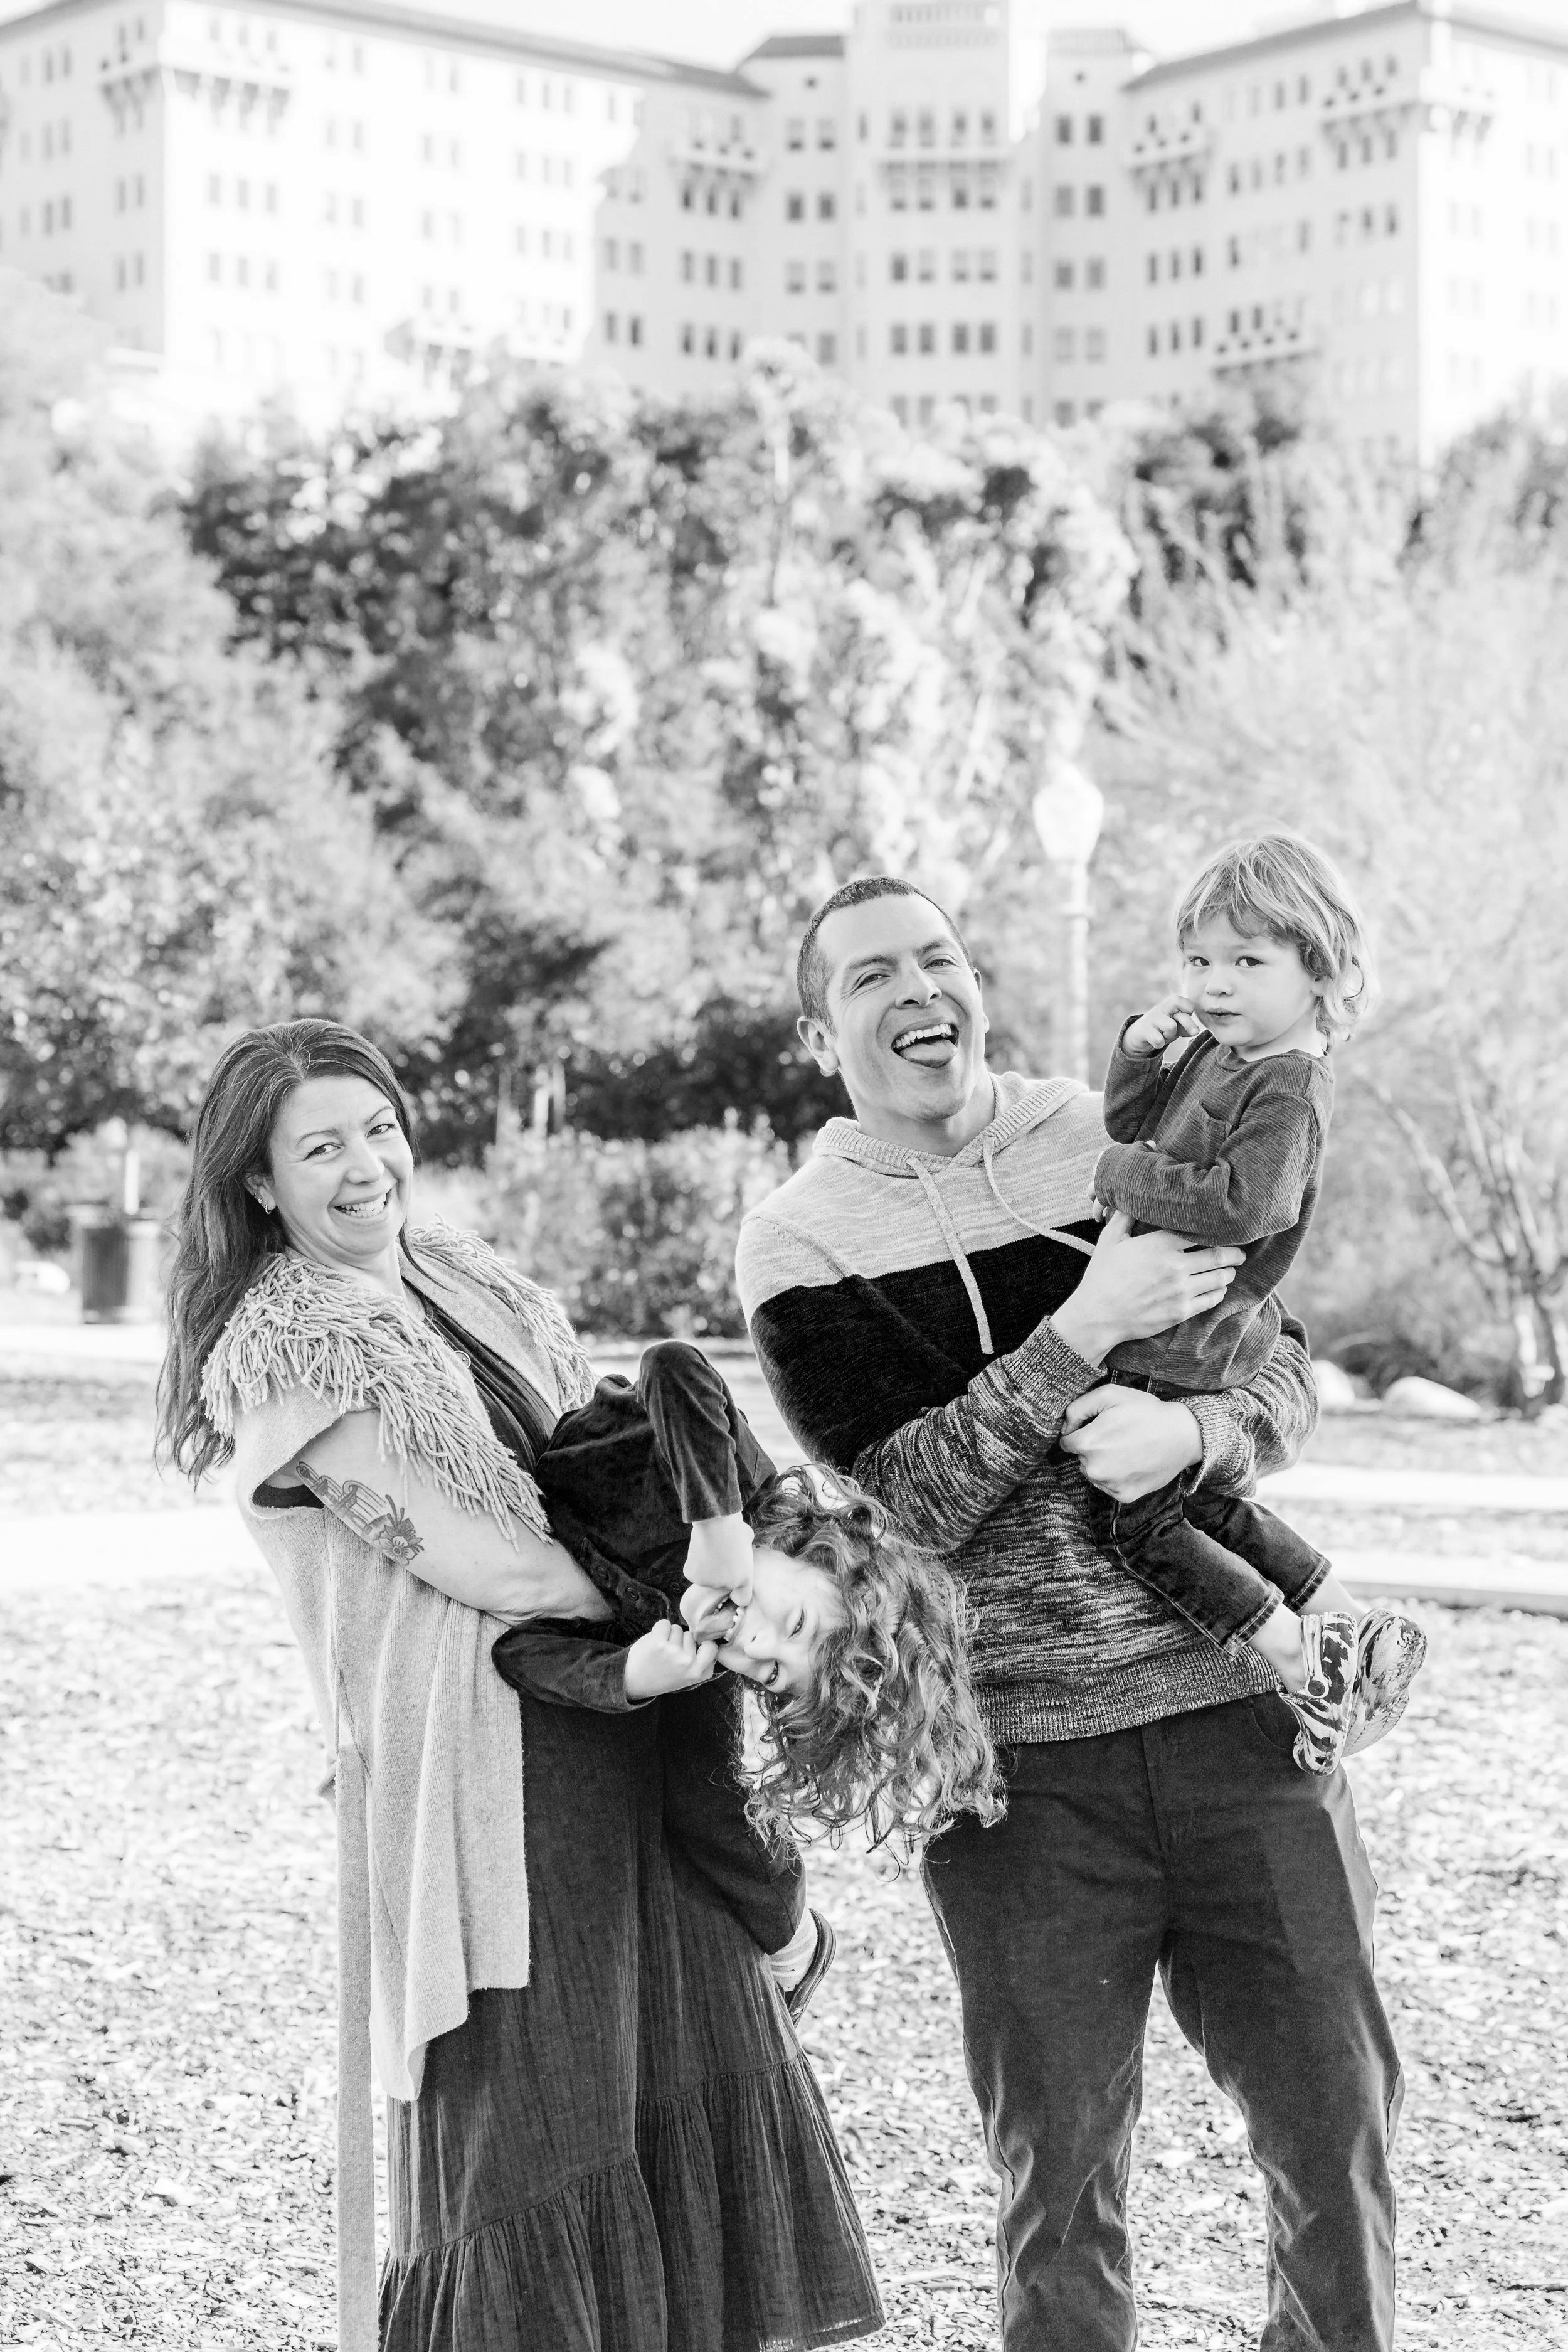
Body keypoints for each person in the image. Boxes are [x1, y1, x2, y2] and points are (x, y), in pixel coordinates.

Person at [730, 876, 1403, 2352]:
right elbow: (899, 1507)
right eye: (870, 976)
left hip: (1243, 1717)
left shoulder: (1107, 1138)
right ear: (820, 1026)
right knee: (1061, 2186)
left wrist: (1203, 1440)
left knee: (1336, 2144)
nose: (919, 991)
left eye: (939, 957)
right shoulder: (800, 1240)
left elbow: (1279, 1364)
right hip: (1018, 1774)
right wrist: (1080, 1331)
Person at [157, 1018, 882, 2352]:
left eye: (377, 1127)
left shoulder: (458, 1276)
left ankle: (779, 1920)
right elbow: (506, 1566)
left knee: (688, 2074)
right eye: (319, 1146)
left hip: (630, 1709)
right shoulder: (298, 1346)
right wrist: (699, 1589)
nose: (365, 1163)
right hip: (500, 1758)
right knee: (536, 2128)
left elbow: (608, 1436)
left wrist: (726, 1555)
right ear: (259, 1182)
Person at [1085, 832, 1426, 1772]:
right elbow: (1130, 1123)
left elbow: (1248, 1203)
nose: (1213, 984)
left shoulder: (1292, 1080)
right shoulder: (1223, 1051)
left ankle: (1303, 1657)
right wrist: (1138, 1055)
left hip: (1191, 1328)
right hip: (1168, 1312)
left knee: (1138, 1523)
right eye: (1199, 960)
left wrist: (1119, 1178)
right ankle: (1345, 1618)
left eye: (1247, 960)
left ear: (1319, 970)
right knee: (1203, 1502)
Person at [495, 1351, 1002, 1871]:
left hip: (522, 1528)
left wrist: (630, 1676)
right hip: (555, 1434)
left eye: (775, 1673)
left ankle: (788, 1930)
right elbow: (671, 1366)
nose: (756, 1648)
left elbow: (516, 1652)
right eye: (797, 1624)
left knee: (705, 1791)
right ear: (811, 1549)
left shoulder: (682, 1648)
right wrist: (716, 1524)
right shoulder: (745, 1486)